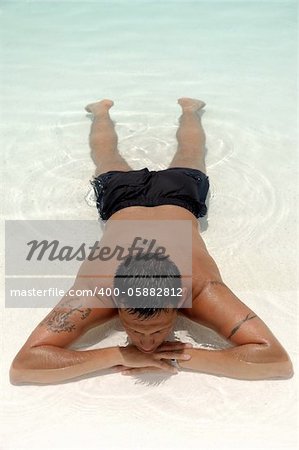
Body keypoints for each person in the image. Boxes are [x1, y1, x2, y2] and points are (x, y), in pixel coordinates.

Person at [10, 98, 293, 385]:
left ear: (178, 302)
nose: (146, 345)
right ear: (116, 301)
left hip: (163, 203)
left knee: (189, 153)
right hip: (134, 204)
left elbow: (277, 361)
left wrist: (175, 356)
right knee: (108, 156)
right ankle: (101, 111)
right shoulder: (97, 290)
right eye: (134, 330)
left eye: (158, 331)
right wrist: (120, 354)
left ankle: (189, 109)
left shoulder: (201, 289)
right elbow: (22, 367)